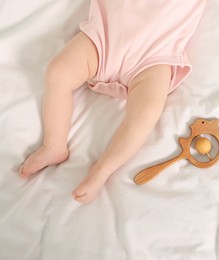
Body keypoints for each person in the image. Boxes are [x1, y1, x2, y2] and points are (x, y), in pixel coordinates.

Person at [19, 0, 206, 203]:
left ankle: (102, 169)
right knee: (58, 72)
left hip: (154, 57)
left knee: (146, 113)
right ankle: (53, 145)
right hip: (103, 38)